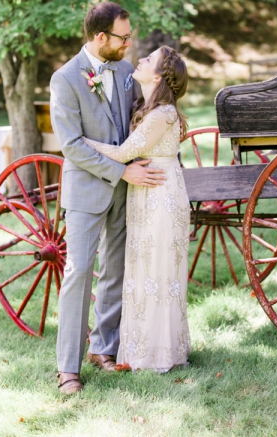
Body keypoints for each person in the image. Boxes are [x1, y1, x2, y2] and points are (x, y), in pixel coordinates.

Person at [51, 2, 166, 394]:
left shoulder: (123, 70)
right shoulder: (65, 79)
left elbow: (138, 117)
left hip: (126, 191)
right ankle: (68, 368)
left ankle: (103, 348)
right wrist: (122, 170)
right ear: (101, 37)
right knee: (79, 272)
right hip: (87, 190)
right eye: (123, 37)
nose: (128, 43)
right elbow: (72, 147)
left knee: (116, 269)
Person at [81, 45, 191, 372]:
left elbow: (125, 152)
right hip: (145, 192)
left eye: (148, 60)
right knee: (143, 271)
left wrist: (82, 143)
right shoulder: (147, 106)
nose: (139, 60)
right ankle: (140, 347)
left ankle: (157, 354)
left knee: (157, 272)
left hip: (160, 196)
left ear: (158, 75)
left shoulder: (163, 113)